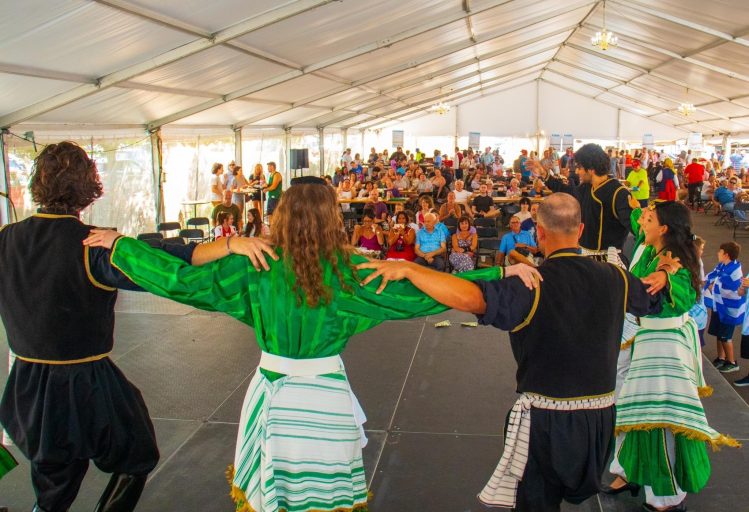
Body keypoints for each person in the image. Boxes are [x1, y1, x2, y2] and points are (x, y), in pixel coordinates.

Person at [83, 176, 508, 512]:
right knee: (325, 493)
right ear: (331, 218)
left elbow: (179, 281)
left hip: (271, 393)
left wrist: (122, 246)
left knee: (274, 490)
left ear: (282, 215)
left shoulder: (254, 264)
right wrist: (497, 277)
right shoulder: (351, 271)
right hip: (325, 396)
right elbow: (423, 296)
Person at [0, 141, 272, 512]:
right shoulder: (93, 244)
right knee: (136, 457)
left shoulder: (6, 239)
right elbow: (170, 261)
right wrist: (232, 245)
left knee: (53, 482)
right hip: (85, 382)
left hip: (26, 386)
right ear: (87, 188)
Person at [357, 192, 670, 512]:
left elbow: (468, 296)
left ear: (540, 233)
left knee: (536, 503)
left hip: (547, 421)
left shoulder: (531, 284)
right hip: (599, 420)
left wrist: (411, 270)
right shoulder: (617, 277)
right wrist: (666, 272)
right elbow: (658, 297)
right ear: (580, 230)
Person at [607, 201, 739, 512]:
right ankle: (629, 470)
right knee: (628, 408)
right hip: (641, 339)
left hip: (663, 348)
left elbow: (678, 288)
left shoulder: (675, 260)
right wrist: (637, 204)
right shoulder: (649, 245)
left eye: (649, 219)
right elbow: (640, 217)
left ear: (664, 228)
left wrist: (665, 275)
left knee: (658, 419)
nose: (641, 223)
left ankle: (666, 496)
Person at [532, 143, 633, 252]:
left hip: (610, 261)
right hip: (584, 254)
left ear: (591, 169)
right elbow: (566, 191)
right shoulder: (586, 187)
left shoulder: (619, 193)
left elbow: (637, 228)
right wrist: (544, 174)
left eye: (579, 167)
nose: (576, 171)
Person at [704, 242, 744, 373]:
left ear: (726, 255)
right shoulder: (721, 266)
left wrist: (712, 287)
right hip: (719, 306)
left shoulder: (735, 272)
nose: (717, 253)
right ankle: (721, 358)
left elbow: (729, 290)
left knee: (726, 337)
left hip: (729, 310)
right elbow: (712, 277)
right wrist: (711, 285)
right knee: (718, 334)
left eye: (720, 252)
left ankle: (732, 362)